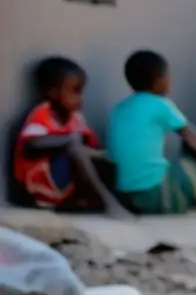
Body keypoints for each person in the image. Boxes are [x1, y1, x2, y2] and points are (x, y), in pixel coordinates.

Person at [107, 50, 196, 215]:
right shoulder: (161, 104)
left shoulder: (119, 109)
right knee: (193, 149)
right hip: (156, 196)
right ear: (159, 82)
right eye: (168, 76)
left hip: (125, 198)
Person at [11, 56, 129, 218]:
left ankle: (92, 200)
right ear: (52, 93)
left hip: (64, 185)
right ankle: (108, 203)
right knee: (74, 149)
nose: (80, 99)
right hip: (40, 186)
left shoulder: (75, 117)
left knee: (107, 157)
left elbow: (92, 146)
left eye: (81, 92)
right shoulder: (42, 114)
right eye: (75, 91)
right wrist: (69, 140)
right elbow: (32, 144)